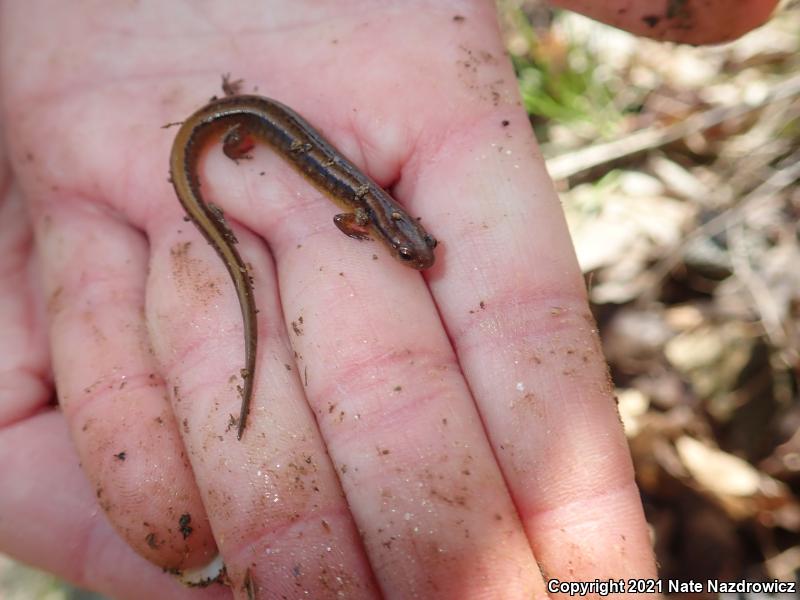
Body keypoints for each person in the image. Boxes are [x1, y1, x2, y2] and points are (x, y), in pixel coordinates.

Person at [0, 1, 778, 598]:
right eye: (411, 250)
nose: (415, 255)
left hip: (243, 116)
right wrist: (237, 134)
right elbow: (349, 211)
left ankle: (231, 129)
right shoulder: (365, 212)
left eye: (417, 251)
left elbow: (359, 212)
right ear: (395, 231)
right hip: (237, 119)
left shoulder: (373, 212)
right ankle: (227, 138)